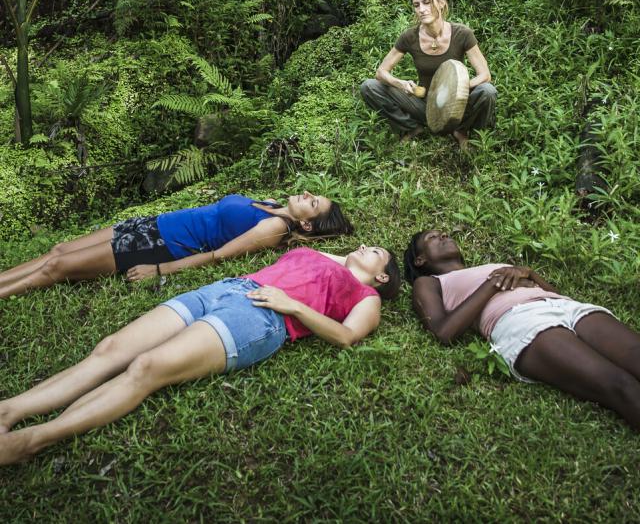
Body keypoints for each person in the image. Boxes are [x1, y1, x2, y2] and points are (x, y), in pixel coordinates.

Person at [0, 244, 401, 464]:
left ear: (383, 276)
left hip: (262, 319)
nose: (365, 246)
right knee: (109, 350)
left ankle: (33, 439)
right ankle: (10, 410)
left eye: (376, 251)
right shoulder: (324, 254)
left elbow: (347, 336)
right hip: (225, 289)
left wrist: (293, 306)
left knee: (147, 367)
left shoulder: (367, 296)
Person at [404, 228, 640, 431]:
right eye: (432, 237)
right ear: (420, 260)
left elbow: (555, 294)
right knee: (619, 384)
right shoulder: (430, 282)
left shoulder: (491, 264)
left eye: (442, 232)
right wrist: (494, 284)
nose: (443, 234)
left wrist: (528, 273)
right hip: (520, 321)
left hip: (565, 307)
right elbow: (443, 332)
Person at [0, 191, 353, 298]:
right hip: (154, 223)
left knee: (58, 268)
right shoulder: (274, 206)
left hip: (162, 243)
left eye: (313, 203)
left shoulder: (274, 227)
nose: (307, 194)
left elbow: (218, 256)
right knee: (58, 251)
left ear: (306, 223)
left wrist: (159, 269)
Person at [360, 0, 496, 148]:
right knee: (369, 86)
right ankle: (413, 127)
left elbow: (485, 75)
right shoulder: (409, 37)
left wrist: (459, 88)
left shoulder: (462, 33)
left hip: (458, 105)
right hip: (425, 106)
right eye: (416, 5)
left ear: (441, 3)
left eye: (426, 2)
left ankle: (462, 130)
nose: (421, 9)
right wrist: (400, 83)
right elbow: (381, 72)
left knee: (488, 91)